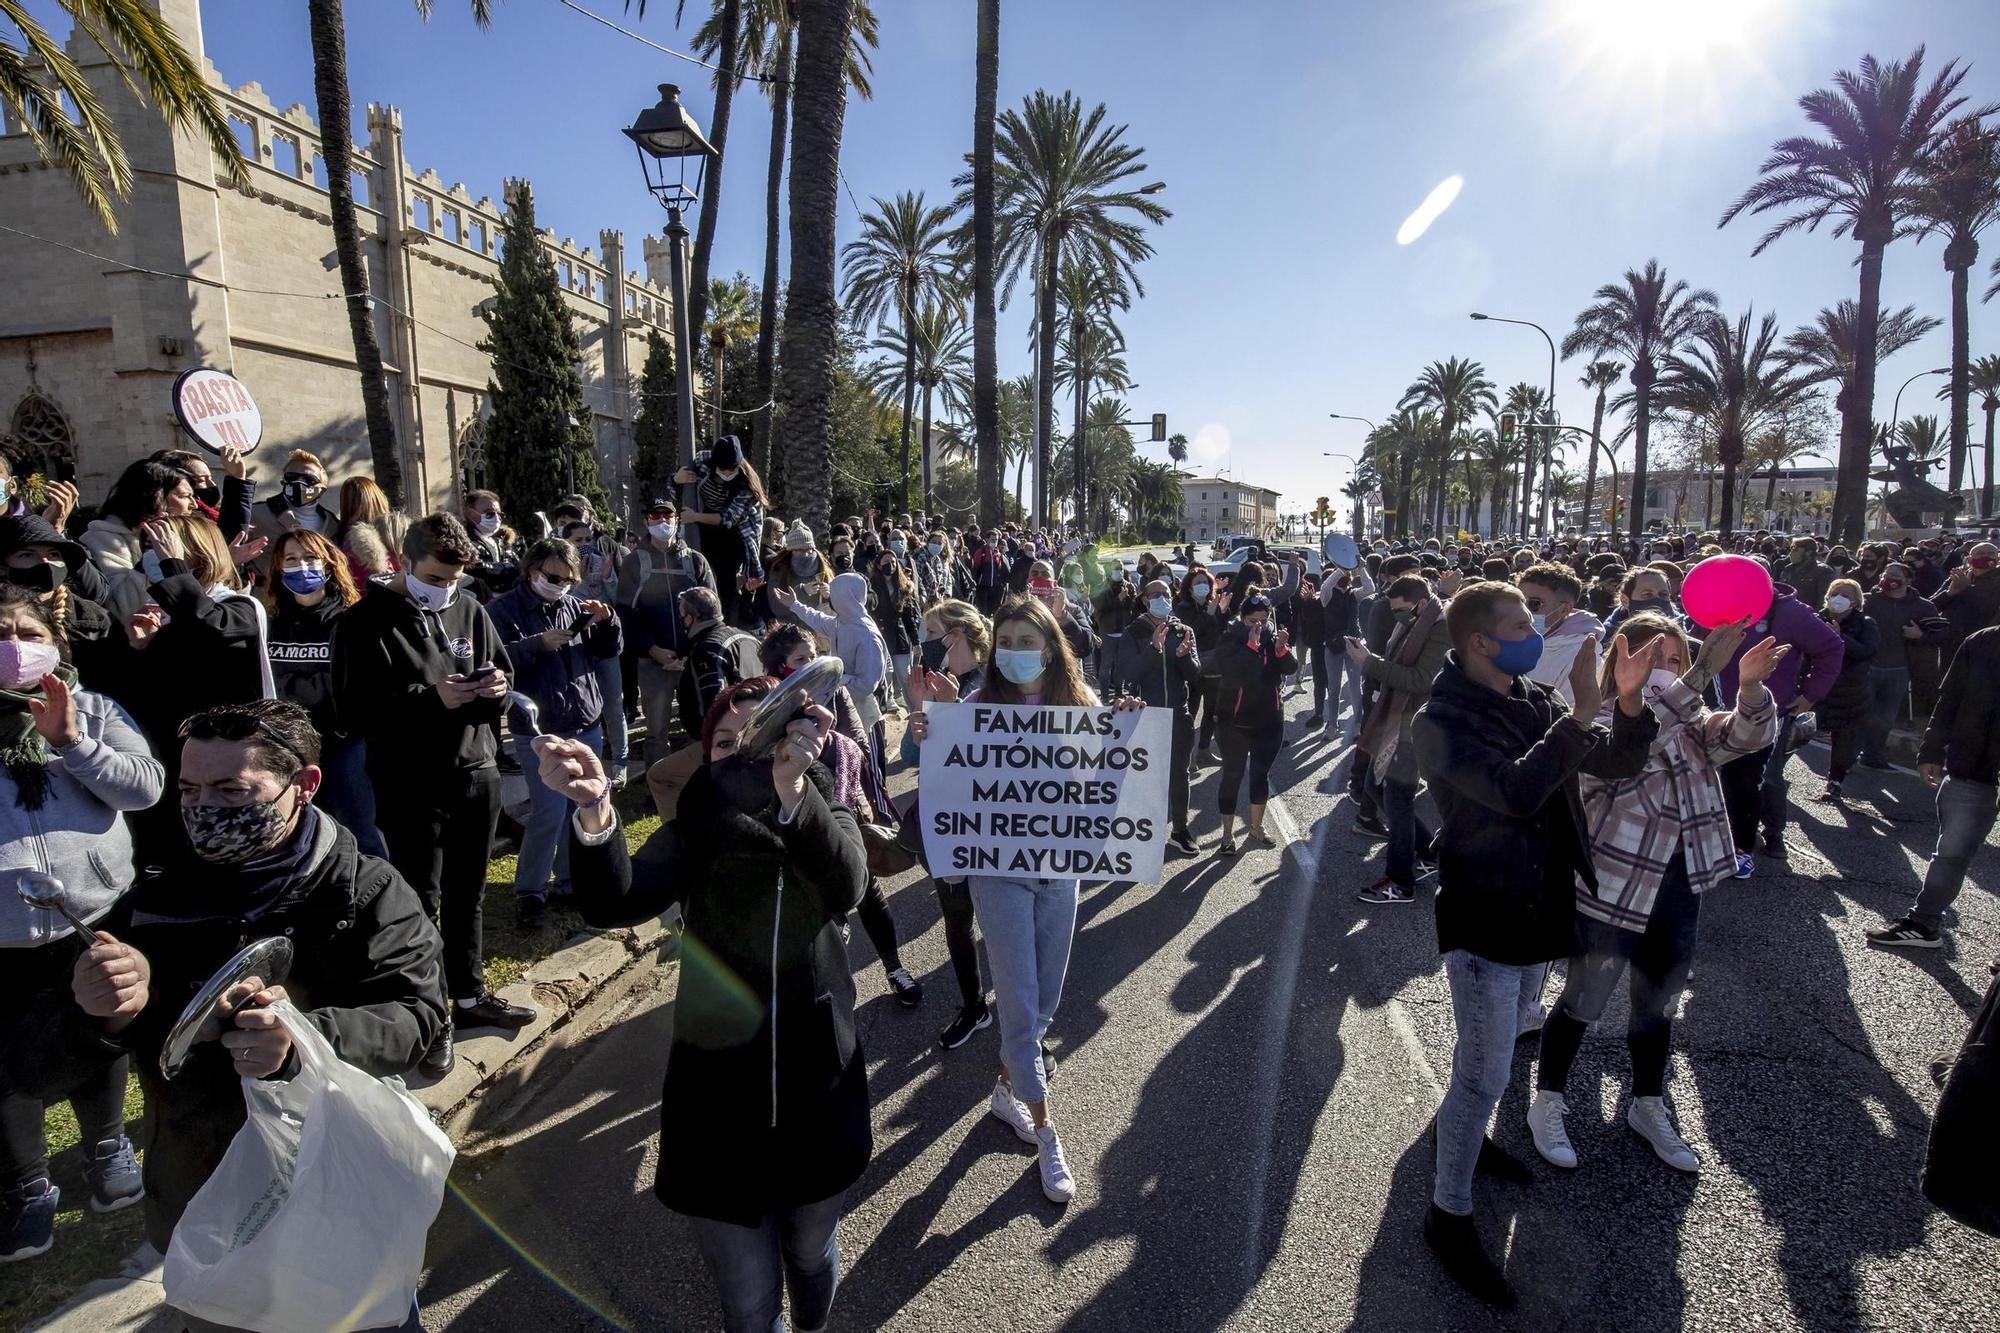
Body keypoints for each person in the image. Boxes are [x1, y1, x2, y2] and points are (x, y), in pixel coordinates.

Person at [57, 700, 445, 1327]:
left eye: (231, 789)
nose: (204, 808)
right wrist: (104, 1014)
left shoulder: (365, 890)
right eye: (188, 789)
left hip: (334, 1186)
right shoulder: (155, 895)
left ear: (305, 786)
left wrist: (301, 1042)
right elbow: (42, 1065)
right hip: (203, 1195)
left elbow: (419, 1020)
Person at [547, 679, 869, 1333]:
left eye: (761, 738)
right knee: (748, 1305)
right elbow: (616, 900)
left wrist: (794, 794)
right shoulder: (697, 822)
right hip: (717, 1112)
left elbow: (848, 882)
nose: (744, 755)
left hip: (817, 1095)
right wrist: (595, 812)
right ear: (707, 754)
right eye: (727, 742)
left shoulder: (821, 808)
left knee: (810, 1254)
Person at [1411, 580, 1659, 1307]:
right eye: (1523, 622)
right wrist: (1581, 711)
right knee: (1483, 1076)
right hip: (1487, 917)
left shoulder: (1529, 696)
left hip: (1542, 910)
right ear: (1480, 640)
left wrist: (1629, 700)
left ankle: (1472, 1143)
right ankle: (1446, 1212)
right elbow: (1516, 791)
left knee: (1487, 1053)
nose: (1537, 630)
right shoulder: (1442, 719)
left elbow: (1609, 762)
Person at [1526, 614, 1782, 1177]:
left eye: (1675, 661)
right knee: (1584, 999)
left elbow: (1746, 735)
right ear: (1621, 664)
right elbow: (1633, 745)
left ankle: (1647, 1103)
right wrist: (1692, 681)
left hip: (1679, 886)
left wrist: (1749, 686)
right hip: (1613, 887)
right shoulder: (1591, 722)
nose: (1666, 672)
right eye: (1653, 661)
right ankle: (1548, 1098)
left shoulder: (1693, 721)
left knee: (1657, 1002)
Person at [908, 596, 1141, 1205]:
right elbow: (926, 764)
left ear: (1050, 647)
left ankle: (1007, 1089)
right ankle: (1045, 1132)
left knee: (1045, 1003)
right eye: (1004, 641)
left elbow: (1108, 791)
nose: (1013, 653)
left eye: (1026, 641)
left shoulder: (1080, 706)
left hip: (1059, 874)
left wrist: (1128, 728)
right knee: (1019, 1004)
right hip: (998, 874)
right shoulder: (975, 708)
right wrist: (921, 730)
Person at [332, 513, 533, 1076]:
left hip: (476, 769)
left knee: (469, 891)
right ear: (403, 559)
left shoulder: (468, 608)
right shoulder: (364, 621)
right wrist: (427, 699)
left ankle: (469, 998)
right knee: (420, 899)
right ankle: (429, 1015)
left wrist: (496, 689)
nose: (445, 589)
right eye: (435, 577)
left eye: (453, 580)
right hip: (409, 781)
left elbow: (502, 673)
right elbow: (352, 712)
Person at [0, 587, 163, 1261]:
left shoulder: (93, 708)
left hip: (94, 917)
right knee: (7, 1069)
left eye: (25, 629)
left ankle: (105, 1147)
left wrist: (70, 741)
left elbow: (145, 785)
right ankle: (27, 1185)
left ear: (54, 642)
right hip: (6, 939)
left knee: (101, 1039)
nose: (12, 643)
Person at [114, 514, 274, 860]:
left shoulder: (238, 608)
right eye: (151, 551)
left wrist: (174, 565)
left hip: (227, 760)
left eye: (163, 549)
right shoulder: (172, 618)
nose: (153, 560)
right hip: (174, 761)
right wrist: (140, 648)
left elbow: (210, 626)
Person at [487, 538, 624, 930]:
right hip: (540, 730)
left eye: (568, 579)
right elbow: (495, 663)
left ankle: (568, 881)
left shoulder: (571, 605)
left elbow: (607, 651)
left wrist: (607, 621)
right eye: (553, 577)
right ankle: (530, 890)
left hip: (585, 719)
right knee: (547, 811)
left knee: (579, 805)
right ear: (531, 571)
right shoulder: (502, 610)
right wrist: (536, 645)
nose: (561, 585)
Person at [1866, 624, 2000, 949]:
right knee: (1950, 854)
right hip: (1973, 771)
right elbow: (1950, 699)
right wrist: (1931, 749)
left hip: (1977, 770)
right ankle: (1924, 924)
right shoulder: (1982, 641)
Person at [905, 600, 998, 1048]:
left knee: (1003, 923)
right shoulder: (936, 683)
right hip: (947, 825)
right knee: (957, 920)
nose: (926, 641)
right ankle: (974, 1005)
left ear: (958, 633)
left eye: (933, 631)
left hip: (994, 828)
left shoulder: (996, 684)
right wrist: (919, 714)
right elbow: (909, 758)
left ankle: (1024, 1024)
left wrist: (953, 711)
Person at [264, 528, 384, 858]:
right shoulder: (268, 622)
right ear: (278, 567)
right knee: (296, 832)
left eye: (310, 558)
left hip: (344, 743)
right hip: (288, 748)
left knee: (362, 830)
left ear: (329, 564)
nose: (301, 566)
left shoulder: (351, 620)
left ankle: (382, 900)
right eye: (291, 559)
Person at [1714, 579, 1844, 873]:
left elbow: (1831, 648)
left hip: (1770, 712)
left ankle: (1772, 832)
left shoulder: (1790, 612)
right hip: (1717, 710)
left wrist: (1811, 695)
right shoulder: (1715, 606)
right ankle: (1721, 838)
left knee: (1764, 778)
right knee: (1719, 778)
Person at [1348, 575, 1447, 904]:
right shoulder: (1417, 623)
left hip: (1416, 725)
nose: (1398, 618)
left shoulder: (1440, 628)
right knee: (1374, 787)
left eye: (1402, 611)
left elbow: (1420, 680)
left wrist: (1369, 663)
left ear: (1421, 603)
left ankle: (1401, 881)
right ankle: (1430, 851)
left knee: (1398, 798)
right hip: (1396, 719)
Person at [1101, 576, 1202, 855]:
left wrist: (1183, 656)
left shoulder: (1183, 630)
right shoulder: (1134, 631)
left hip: (1179, 715)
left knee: (1180, 776)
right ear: (1145, 600)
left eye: (1166, 594)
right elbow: (1128, 673)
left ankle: (1180, 830)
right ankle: (1143, 834)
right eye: (1155, 595)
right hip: (1145, 717)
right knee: (1146, 778)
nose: (1162, 599)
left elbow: (1194, 674)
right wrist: (1154, 649)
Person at [618, 502, 718, 768]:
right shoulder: (633, 562)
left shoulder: (695, 560)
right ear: (647, 522)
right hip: (653, 661)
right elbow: (626, 614)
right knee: (656, 732)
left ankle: (696, 781)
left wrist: (693, 652)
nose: (662, 520)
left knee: (699, 725)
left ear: (677, 520)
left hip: (693, 661)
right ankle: (658, 784)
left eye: (668, 515)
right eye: (655, 515)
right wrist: (653, 650)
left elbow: (712, 611)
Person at [1212, 592, 1298, 855]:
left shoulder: (1271, 637)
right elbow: (1233, 672)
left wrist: (1282, 650)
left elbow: (1289, 669)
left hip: (1269, 720)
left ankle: (1256, 828)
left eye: (1263, 619)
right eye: (1252, 620)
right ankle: (1227, 835)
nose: (1259, 626)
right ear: (1242, 617)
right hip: (1234, 722)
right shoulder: (1230, 636)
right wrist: (1250, 646)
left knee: (1260, 775)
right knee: (1232, 775)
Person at [0, 515, 121, 690]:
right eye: (27, 555)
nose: (45, 562)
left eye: (53, 554)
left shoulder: (95, 618)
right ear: (3, 567)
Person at [774, 572, 890, 749]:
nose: (830, 597)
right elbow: (818, 619)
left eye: (834, 593)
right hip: (845, 706)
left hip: (865, 711)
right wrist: (794, 604)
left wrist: (834, 693)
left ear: (844, 596)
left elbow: (866, 684)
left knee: (868, 762)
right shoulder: (841, 623)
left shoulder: (866, 635)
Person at [82, 460, 196, 623]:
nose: (193, 505)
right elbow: (122, 609)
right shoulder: (102, 539)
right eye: (184, 496)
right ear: (156, 497)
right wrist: (151, 557)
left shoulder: (180, 535)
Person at [674, 435, 769, 625]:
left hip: (736, 533)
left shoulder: (747, 485)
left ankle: (728, 624)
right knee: (702, 573)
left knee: (727, 584)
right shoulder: (701, 462)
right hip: (707, 527)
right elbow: (676, 488)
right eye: (722, 469)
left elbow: (728, 519)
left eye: (730, 469)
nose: (726, 473)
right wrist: (677, 478)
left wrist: (695, 517)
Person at [1814, 577, 1881, 801]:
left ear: (1856, 601)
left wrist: (1840, 637)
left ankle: (1834, 782)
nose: (1839, 599)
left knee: (1843, 741)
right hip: (1818, 687)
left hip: (1849, 692)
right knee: (1797, 732)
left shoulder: (1866, 624)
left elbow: (1867, 652)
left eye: (1845, 595)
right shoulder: (1816, 619)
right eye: (1835, 593)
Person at [1517, 563, 1603, 706]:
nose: (1523, 612)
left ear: (1564, 610)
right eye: (1518, 602)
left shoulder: (1581, 657)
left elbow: (1575, 716)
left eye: (1534, 604)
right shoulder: (1506, 636)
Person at [1176, 563, 1226, 764]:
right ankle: (1187, 756)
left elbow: (1222, 631)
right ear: (1190, 587)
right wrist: (1210, 614)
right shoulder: (1183, 608)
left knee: (1212, 711)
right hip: (1194, 667)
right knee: (1191, 711)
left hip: (1215, 667)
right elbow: (1191, 632)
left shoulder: (1212, 604)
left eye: (1206, 582)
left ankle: (1204, 749)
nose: (1203, 586)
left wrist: (1221, 613)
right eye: (1198, 583)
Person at [460, 490, 518, 601]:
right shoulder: (462, 542)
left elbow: (519, 567)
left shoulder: (504, 539)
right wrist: (507, 568)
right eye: (489, 513)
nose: (496, 518)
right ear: (471, 514)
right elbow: (477, 570)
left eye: (500, 514)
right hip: (480, 603)